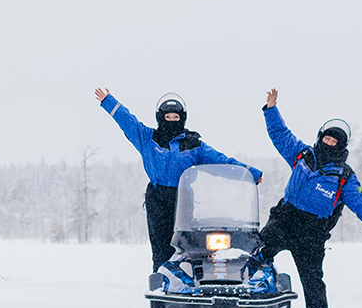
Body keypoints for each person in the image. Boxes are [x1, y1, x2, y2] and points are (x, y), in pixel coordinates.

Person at [260, 89, 362, 308]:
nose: (329, 144)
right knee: (255, 258)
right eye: (327, 139)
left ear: (342, 146)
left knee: (313, 285)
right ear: (320, 137)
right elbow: (280, 135)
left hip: (312, 234)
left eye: (335, 142)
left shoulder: (344, 176)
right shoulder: (302, 155)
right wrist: (271, 110)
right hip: (284, 220)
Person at [93, 88, 262, 271]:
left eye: (176, 117)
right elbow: (128, 121)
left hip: (183, 199)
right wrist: (109, 101)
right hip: (157, 198)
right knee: (160, 249)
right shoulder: (148, 138)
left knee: (184, 244)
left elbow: (221, 161)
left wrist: (249, 173)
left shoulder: (193, 144)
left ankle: (188, 282)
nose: (172, 121)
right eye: (168, 117)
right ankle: (161, 286)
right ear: (160, 118)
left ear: (182, 118)